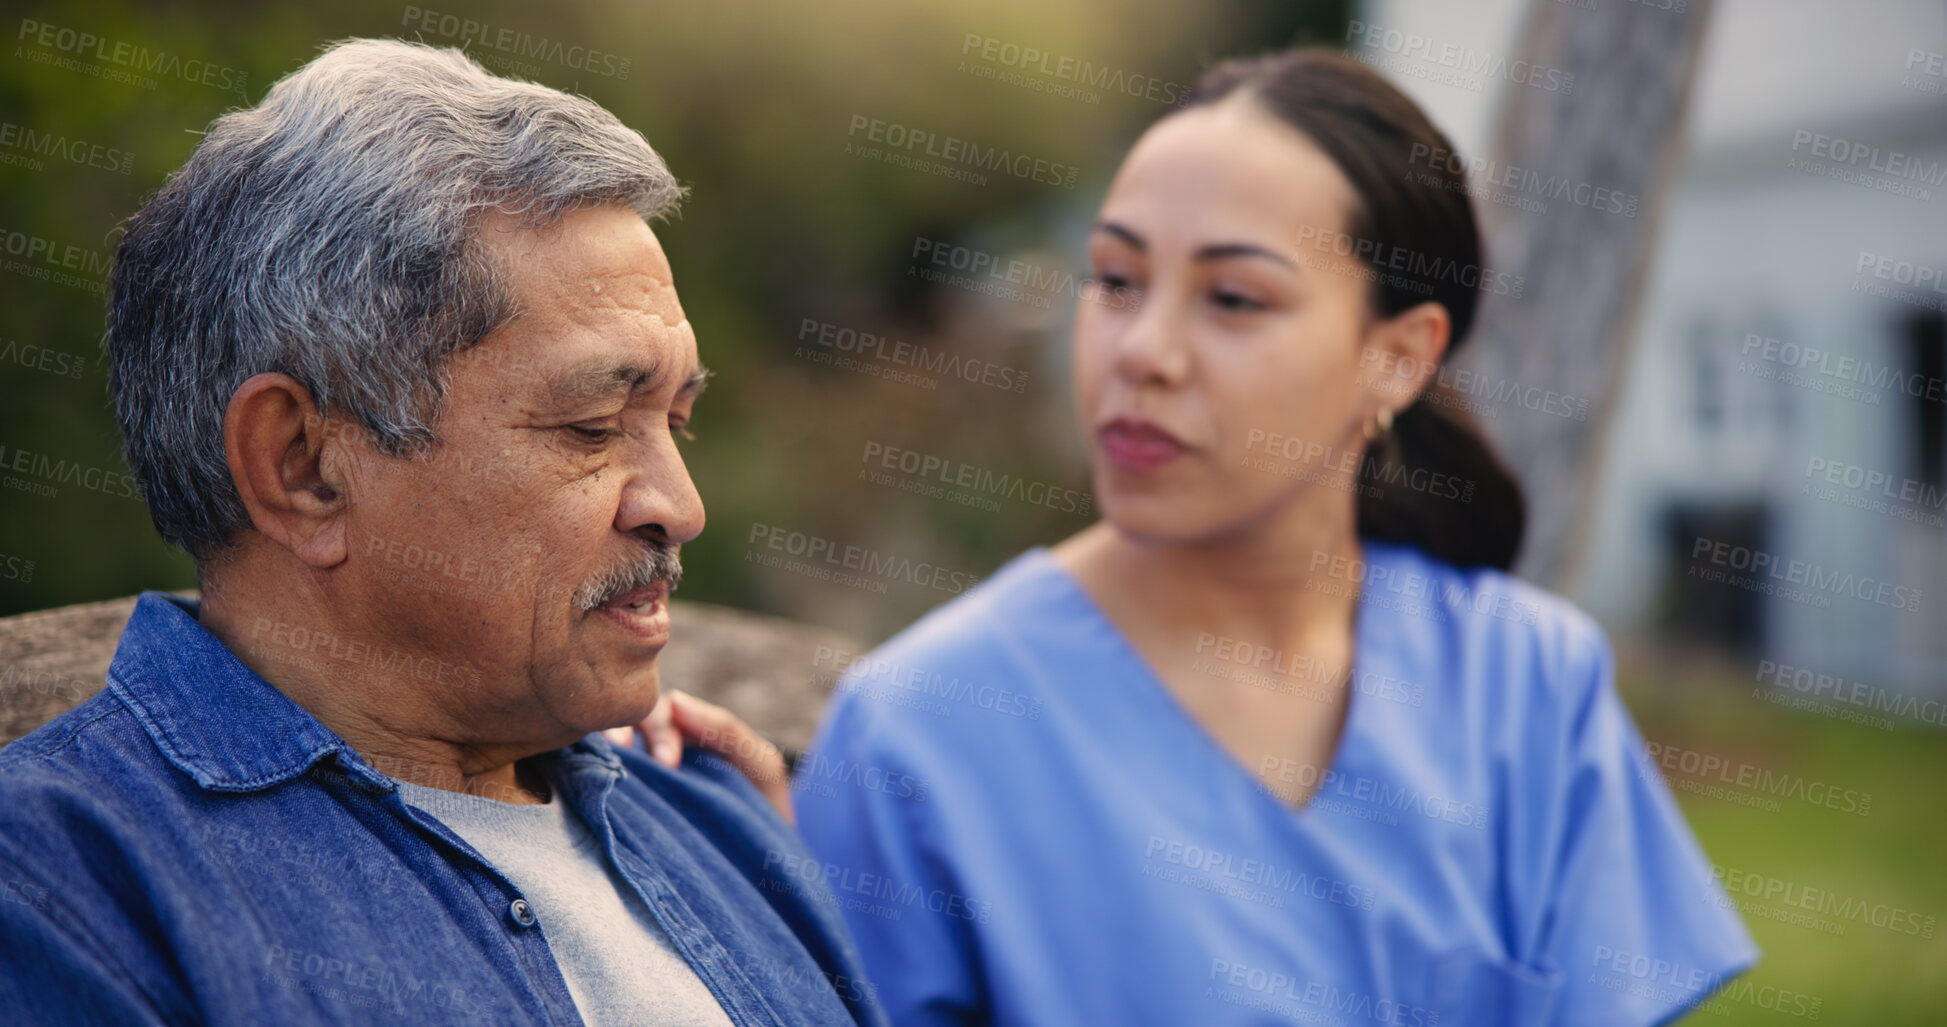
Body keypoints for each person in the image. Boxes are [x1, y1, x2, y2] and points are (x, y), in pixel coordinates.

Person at [786, 49, 1759, 1025]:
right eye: (1116, 279)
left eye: (1234, 298)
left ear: (1398, 358)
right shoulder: (923, 733)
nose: (1143, 352)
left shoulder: (1529, 685)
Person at [0, 39, 882, 1027]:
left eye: (674, 421)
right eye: (592, 429)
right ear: (304, 466)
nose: (679, 506)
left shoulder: (718, 827)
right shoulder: (57, 885)